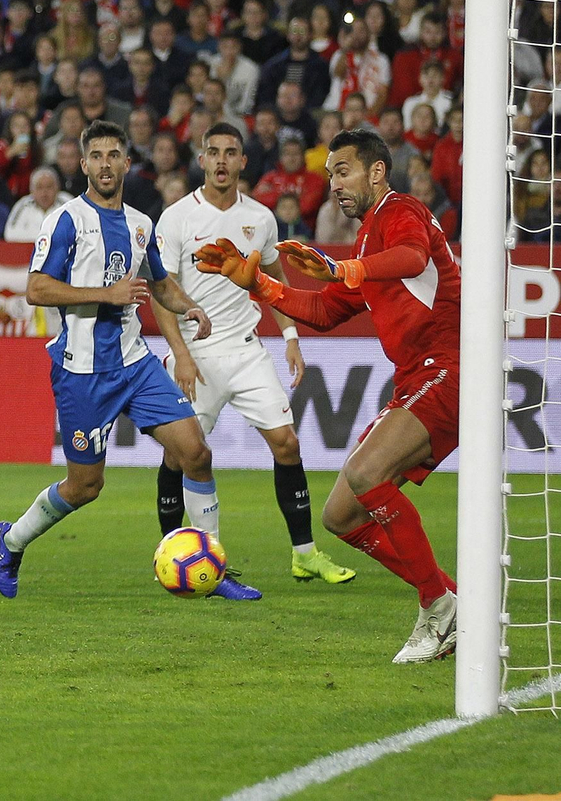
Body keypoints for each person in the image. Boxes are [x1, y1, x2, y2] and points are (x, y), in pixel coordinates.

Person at [196, 129, 462, 662]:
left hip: (450, 367)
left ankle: (438, 609)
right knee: (340, 515)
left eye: (343, 171)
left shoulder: (400, 210)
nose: (334, 184)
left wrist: (346, 268)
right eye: (331, 175)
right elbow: (323, 311)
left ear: (377, 172)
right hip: (415, 377)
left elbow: (413, 257)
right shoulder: (366, 241)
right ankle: (453, 600)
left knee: (365, 474)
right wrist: (258, 285)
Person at [0, 119, 261, 601]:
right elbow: (36, 289)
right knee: (85, 486)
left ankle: (214, 568)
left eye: (113, 155)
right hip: (82, 372)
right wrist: (106, 294)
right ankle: (10, 541)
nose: (105, 164)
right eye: (96, 156)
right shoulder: (66, 220)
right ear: (83, 164)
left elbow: (159, 282)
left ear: (127, 163)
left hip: (135, 363)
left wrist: (189, 306)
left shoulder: (140, 224)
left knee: (196, 453)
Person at [150, 124, 356, 586]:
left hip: (246, 351)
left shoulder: (260, 219)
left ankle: (304, 555)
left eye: (231, 153)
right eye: (214, 152)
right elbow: (162, 293)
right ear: (202, 160)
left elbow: (274, 281)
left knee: (287, 444)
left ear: (243, 162)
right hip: (196, 354)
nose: (222, 160)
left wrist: (291, 337)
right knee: (181, 455)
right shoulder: (176, 218)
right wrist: (180, 355)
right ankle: (172, 554)